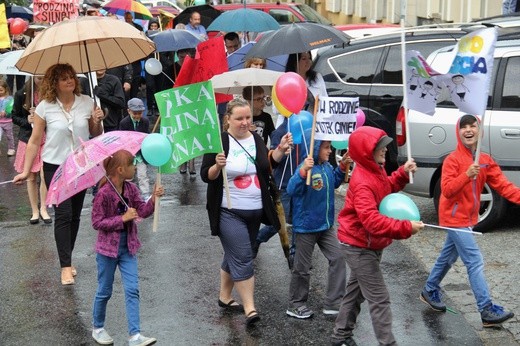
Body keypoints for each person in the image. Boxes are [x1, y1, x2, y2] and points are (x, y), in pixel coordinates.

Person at [200, 97, 293, 326]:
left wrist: (280, 151)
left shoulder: (257, 140)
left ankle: (224, 296)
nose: (244, 122)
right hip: (228, 211)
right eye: (239, 118)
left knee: (235, 253)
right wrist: (217, 166)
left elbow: (267, 165)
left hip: (255, 211)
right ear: (228, 119)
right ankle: (250, 308)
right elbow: (206, 175)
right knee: (243, 256)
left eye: (248, 117)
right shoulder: (219, 142)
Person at [420, 114, 518, 328]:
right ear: (458, 131)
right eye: (463, 126)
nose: (468, 130)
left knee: (447, 257)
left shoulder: (484, 160)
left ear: (479, 130)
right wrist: (466, 175)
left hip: (469, 218)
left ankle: (429, 289)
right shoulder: (452, 160)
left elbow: (504, 186)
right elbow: (447, 190)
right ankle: (486, 310)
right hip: (454, 218)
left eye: (472, 125)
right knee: (474, 261)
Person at [13, 63, 104, 285]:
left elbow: (95, 133)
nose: (69, 81)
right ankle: (65, 267)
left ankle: (68, 257)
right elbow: (34, 141)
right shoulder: (45, 107)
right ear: (55, 83)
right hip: (56, 166)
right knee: (63, 215)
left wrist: (97, 120)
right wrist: (26, 170)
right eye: (63, 78)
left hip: (81, 165)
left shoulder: (86, 103)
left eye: (71, 77)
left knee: (74, 215)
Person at [331, 126, 423, 346]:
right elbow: (371, 220)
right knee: (379, 298)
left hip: (368, 244)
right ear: (366, 151)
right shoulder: (362, 181)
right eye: (379, 146)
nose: (384, 149)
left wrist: (401, 173)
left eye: (383, 144)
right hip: (359, 245)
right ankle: (387, 343)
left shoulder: (375, 169)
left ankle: (340, 335)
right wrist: (405, 227)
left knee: (356, 292)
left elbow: (384, 190)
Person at [91, 149, 163, 346]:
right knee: (105, 290)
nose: (135, 167)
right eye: (132, 165)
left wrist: (154, 199)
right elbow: (97, 222)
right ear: (121, 169)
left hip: (128, 249)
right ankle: (98, 328)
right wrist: (121, 219)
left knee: (132, 290)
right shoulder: (104, 193)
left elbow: (142, 210)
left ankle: (135, 335)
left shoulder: (131, 189)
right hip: (107, 251)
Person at [285, 136, 350, 319]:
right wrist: (303, 172)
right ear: (315, 149)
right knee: (302, 268)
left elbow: (335, 182)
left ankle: (334, 302)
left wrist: (343, 166)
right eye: (326, 148)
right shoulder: (305, 168)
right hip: (306, 227)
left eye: (330, 147)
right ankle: (296, 304)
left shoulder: (326, 167)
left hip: (325, 225)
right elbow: (291, 189)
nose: (330, 151)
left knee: (338, 258)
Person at [12, 76, 52, 224]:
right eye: (38, 78)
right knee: (31, 176)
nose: (41, 80)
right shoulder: (21, 94)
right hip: (29, 139)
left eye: (43, 77)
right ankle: (34, 210)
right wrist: (27, 121)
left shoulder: (50, 94)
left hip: (47, 138)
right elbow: (14, 117)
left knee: (44, 173)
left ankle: (44, 208)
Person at [119, 98, 150, 198]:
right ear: (129, 111)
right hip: (129, 154)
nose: (137, 116)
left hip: (140, 154)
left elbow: (146, 137)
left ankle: (145, 195)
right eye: (135, 113)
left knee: (142, 175)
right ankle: (127, 195)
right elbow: (122, 141)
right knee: (128, 177)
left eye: (140, 113)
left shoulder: (145, 121)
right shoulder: (124, 123)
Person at [0, 80, 15, 156]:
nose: (0, 92)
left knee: (9, 136)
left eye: (1, 90)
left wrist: (6, 112)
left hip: (7, 121)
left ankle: (11, 148)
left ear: (5, 89)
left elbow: (10, 108)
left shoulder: (9, 98)